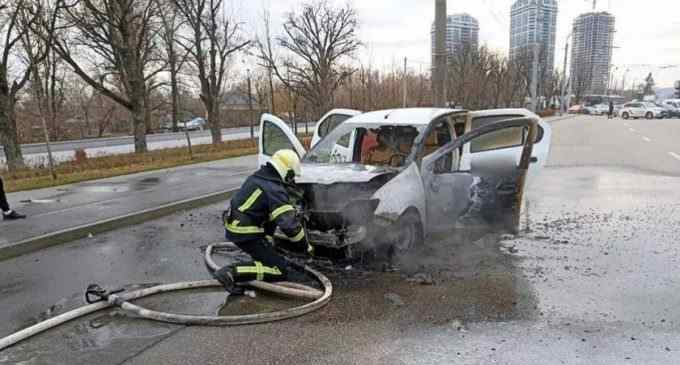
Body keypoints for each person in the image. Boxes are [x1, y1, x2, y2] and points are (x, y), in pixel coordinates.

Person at [214, 149, 312, 294]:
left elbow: (270, 216)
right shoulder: (274, 189)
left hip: (238, 227)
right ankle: (231, 272)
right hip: (246, 233)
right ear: (286, 171)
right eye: (291, 176)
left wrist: (268, 242)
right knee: (278, 269)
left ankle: (259, 255)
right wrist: (305, 247)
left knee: (270, 247)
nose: (291, 180)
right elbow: (290, 226)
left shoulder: (260, 177)